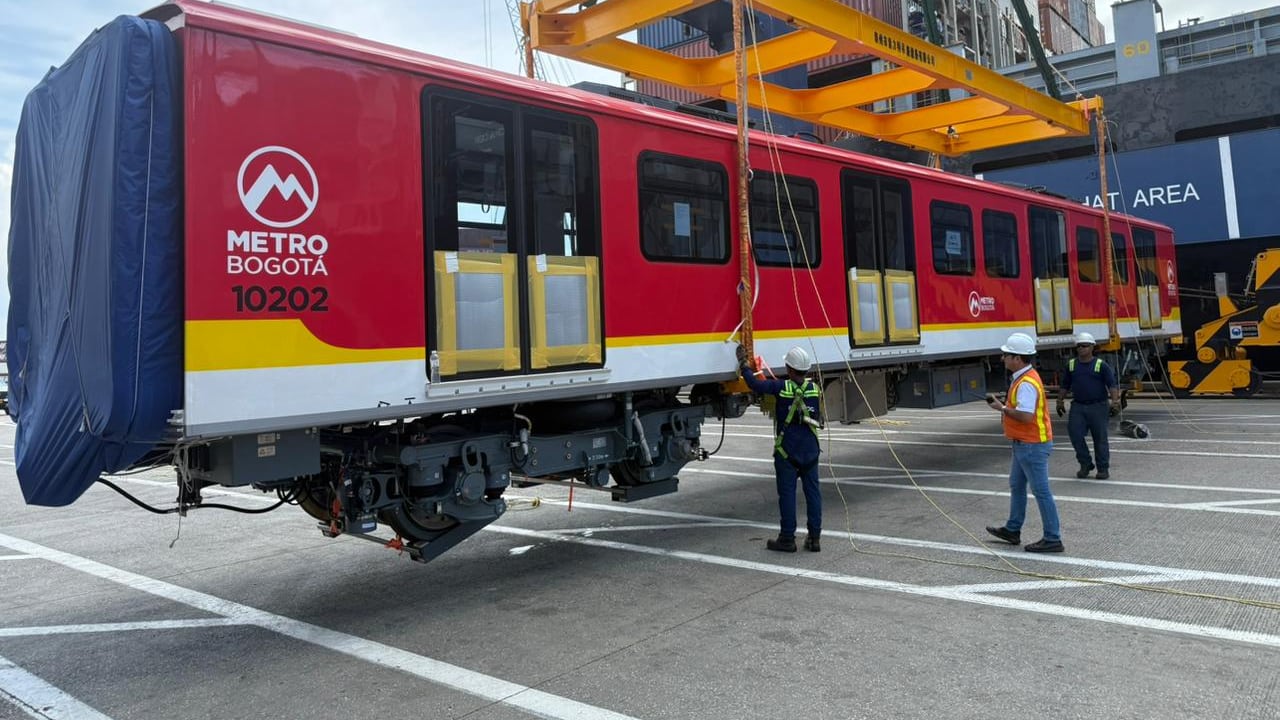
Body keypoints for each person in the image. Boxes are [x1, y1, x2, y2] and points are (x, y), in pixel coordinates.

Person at [736, 343, 823, 553]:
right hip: (811, 450)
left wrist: (743, 364)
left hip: (788, 451)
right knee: (813, 493)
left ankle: (787, 539)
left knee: (787, 494)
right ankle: (814, 538)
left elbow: (755, 384)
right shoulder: (814, 389)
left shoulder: (781, 387)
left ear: (790, 369)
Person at [984, 332, 1064, 553]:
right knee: (1017, 485)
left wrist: (1001, 408)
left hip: (1031, 444)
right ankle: (1012, 529)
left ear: (1017, 358)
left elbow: (1026, 416)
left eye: (1006, 355)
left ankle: (1052, 537)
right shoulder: (1025, 377)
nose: (1003, 359)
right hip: (1025, 443)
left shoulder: (1026, 382)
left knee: (1041, 491)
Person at [1057, 332, 1120, 480]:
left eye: (1084, 345)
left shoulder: (1100, 365)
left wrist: (1115, 402)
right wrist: (1060, 401)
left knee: (1100, 439)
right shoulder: (1071, 365)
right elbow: (1064, 384)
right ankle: (1085, 463)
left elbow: (1111, 384)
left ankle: (1103, 468)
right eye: (1078, 346)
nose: (1081, 348)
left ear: (1092, 347)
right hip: (1078, 406)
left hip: (1098, 406)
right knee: (1075, 435)